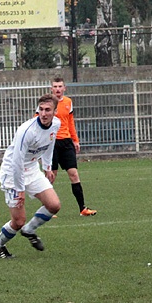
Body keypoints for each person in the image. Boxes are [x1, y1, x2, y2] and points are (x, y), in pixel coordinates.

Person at [0, 94, 62, 259]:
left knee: (54, 205)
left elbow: (50, 144)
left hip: (32, 169)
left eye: (47, 110)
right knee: (18, 221)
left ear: (55, 112)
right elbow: (16, 161)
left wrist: (48, 167)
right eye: (41, 110)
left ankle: (30, 230)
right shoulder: (26, 131)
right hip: (12, 173)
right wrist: (19, 188)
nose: (43, 114)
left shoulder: (56, 124)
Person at [49, 77, 96, 216]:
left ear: (65, 88)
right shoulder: (47, 103)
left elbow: (70, 122)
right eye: (55, 86)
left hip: (66, 142)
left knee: (74, 174)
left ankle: (83, 208)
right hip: (52, 143)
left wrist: (75, 140)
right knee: (52, 175)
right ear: (51, 89)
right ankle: (48, 209)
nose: (57, 89)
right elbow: (37, 121)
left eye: (60, 86)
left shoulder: (68, 102)